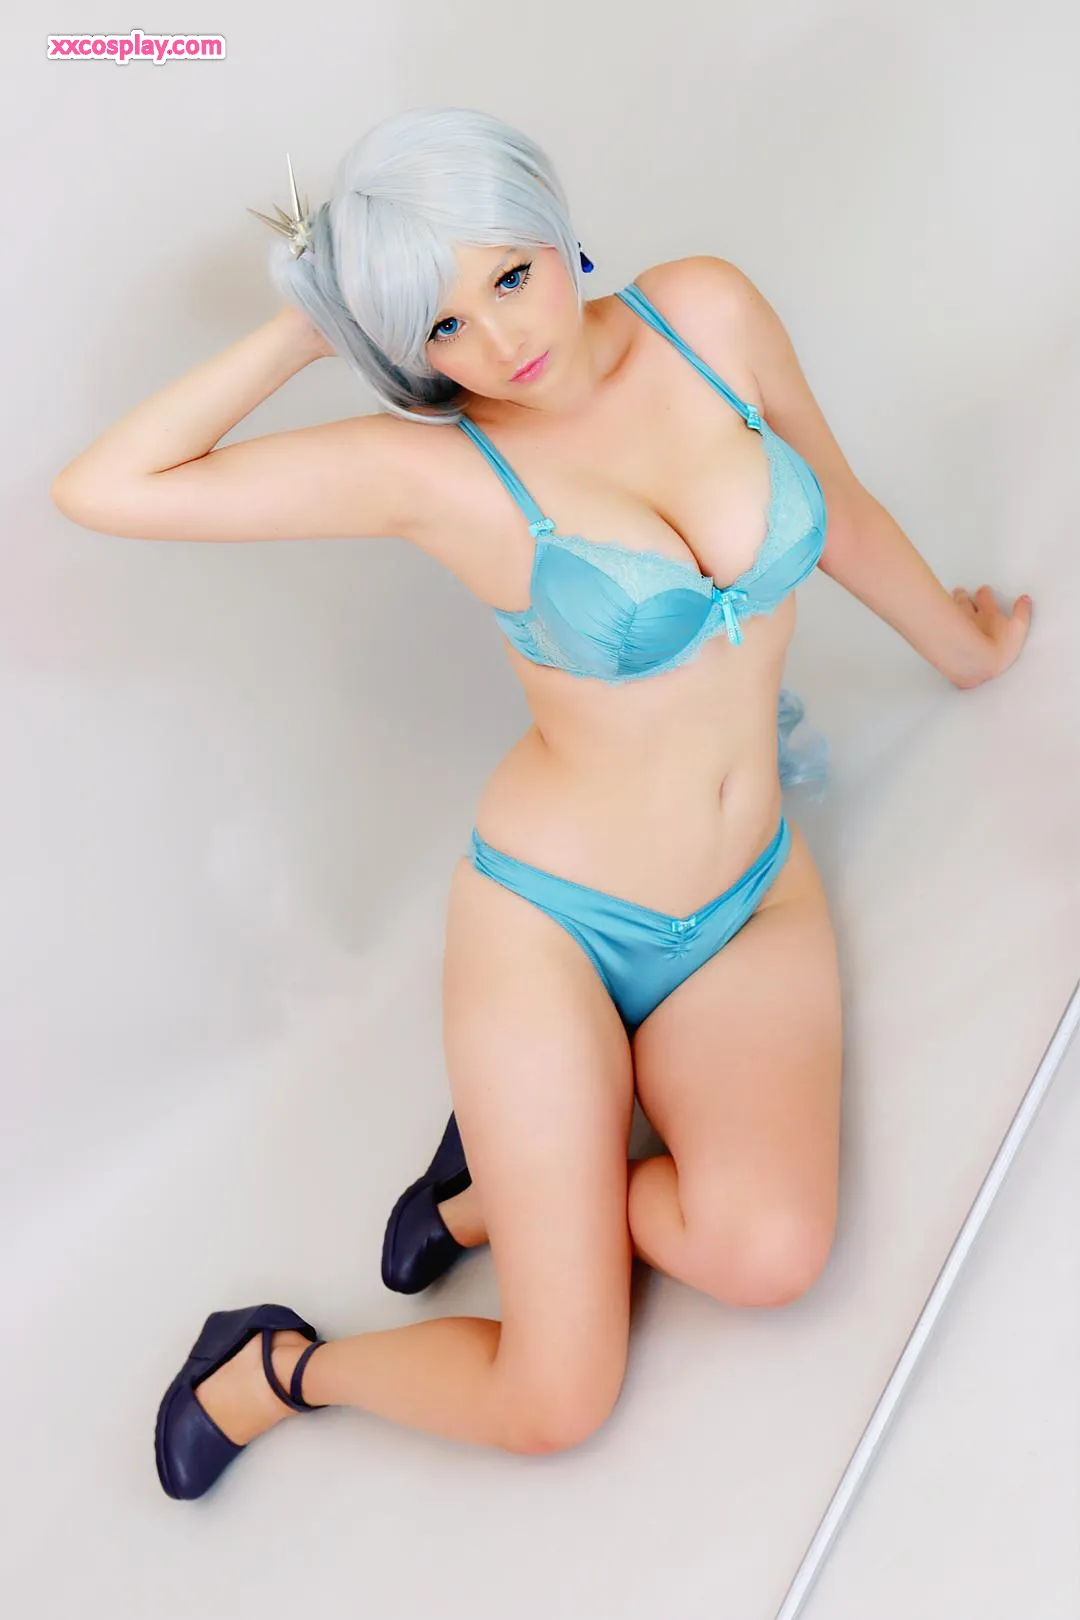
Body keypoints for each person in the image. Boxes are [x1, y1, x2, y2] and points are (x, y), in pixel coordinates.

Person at [51, 106, 1033, 1500]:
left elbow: (841, 505)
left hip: (748, 899)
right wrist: (310, 322)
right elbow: (105, 488)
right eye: (440, 326)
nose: (501, 339)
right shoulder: (435, 471)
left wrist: (963, 648)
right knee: (554, 1399)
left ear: (556, 227)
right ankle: (275, 1366)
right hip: (553, 927)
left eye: (510, 276)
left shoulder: (705, 313)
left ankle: (486, 1198)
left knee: (767, 1254)